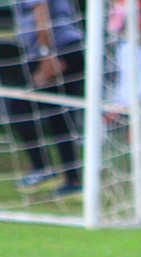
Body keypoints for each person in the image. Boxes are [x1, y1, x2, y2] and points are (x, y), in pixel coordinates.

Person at [9, 0, 85, 195]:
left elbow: (41, 11)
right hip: (68, 48)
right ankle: (71, 180)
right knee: (59, 117)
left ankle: (44, 169)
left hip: (56, 51)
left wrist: (46, 56)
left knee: (19, 107)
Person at [108, 0, 141, 108]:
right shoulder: (127, 50)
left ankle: (134, 102)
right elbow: (114, 26)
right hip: (130, 46)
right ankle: (126, 102)